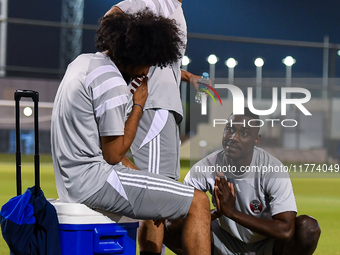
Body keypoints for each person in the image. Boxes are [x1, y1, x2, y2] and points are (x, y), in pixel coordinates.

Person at [51, 10, 211, 255]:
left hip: (72, 180)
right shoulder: (112, 82)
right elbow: (113, 155)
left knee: (167, 193)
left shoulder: (83, 62)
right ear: (135, 55)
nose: (146, 72)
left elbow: (102, 147)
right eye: (148, 62)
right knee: (197, 202)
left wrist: (154, 189)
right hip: (95, 182)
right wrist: (138, 104)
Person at [105, 1, 202, 254]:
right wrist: (121, 68)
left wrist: (187, 76)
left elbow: (164, 64)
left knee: (156, 197)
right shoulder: (156, 1)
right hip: (154, 107)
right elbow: (111, 19)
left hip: (159, 106)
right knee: (155, 197)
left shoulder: (174, 8)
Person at [164, 107, 321, 255]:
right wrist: (216, 212)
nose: (234, 138)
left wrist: (232, 213)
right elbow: (172, 224)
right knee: (157, 222)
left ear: (256, 140)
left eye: (244, 133)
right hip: (222, 240)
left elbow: (286, 230)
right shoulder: (204, 168)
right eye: (230, 130)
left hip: (266, 244)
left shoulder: (272, 168)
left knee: (308, 228)